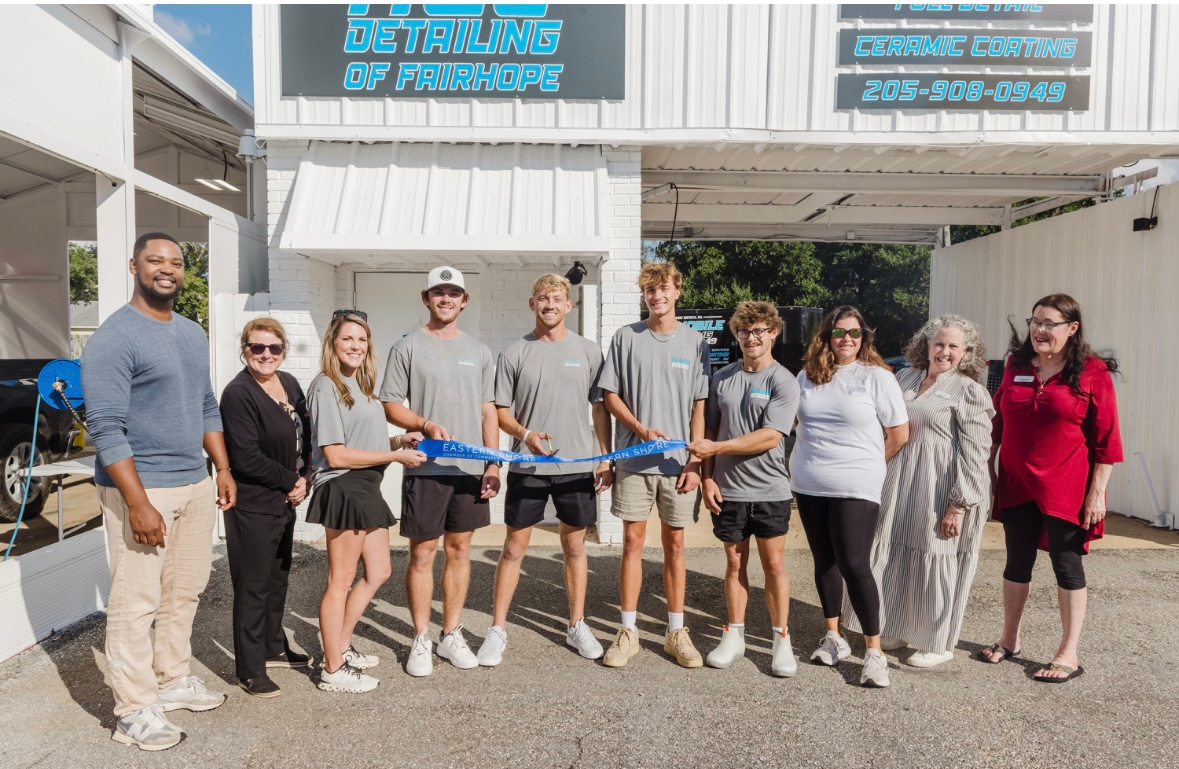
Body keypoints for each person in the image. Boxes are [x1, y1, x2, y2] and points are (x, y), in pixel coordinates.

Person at [81, 232, 236, 751]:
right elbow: (104, 427)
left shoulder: (192, 333)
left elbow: (206, 404)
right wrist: (139, 502)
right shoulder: (114, 338)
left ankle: (171, 681)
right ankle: (133, 710)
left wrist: (223, 468)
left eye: (175, 261)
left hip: (194, 482)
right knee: (135, 602)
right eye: (155, 260)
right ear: (133, 266)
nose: (166, 269)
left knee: (184, 590)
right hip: (143, 488)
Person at [980, 294, 1122, 683]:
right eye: (1035, 322)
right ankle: (1009, 639)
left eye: (1050, 324)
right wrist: (987, 469)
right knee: (1016, 560)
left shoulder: (1092, 371)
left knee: (1066, 563)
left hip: (1067, 484)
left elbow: (1107, 439)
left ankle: (1068, 653)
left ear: (1072, 328)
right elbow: (998, 421)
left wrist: (1098, 492)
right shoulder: (1016, 365)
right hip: (1016, 480)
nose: (1040, 330)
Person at [476, 273, 614, 666]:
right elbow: (499, 412)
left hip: (576, 467)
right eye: (542, 298)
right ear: (532, 304)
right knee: (514, 548)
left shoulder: (588, 351)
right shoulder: (515, 352)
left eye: (557, 298)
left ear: (569, 306)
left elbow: (599, 408)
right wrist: (525, 434)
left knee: (574, 545)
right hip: (529, 465)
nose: (550, 304)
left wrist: (604, 457)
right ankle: (497, 629)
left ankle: (576, 625)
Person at [843, 315, 994, 668]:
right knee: (894, 553)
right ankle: (894, 626)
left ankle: (937, 641)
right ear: (925, 345)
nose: (944, 351)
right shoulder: (905, 377)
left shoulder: (969, 391)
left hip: (939, 485)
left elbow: (976, 453)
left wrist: (959, 505)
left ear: (966, 352)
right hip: (897, 480)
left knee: (935, 556)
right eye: (938, 343)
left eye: (953, 346)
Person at [381, 266, 500, 677]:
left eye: (453, 293)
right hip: (426, 467)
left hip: (468, 469)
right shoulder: (407, 347)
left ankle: (451, 633)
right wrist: (424, 424)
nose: (446, 299)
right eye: (438, 292)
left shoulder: (480, 351)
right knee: (422, 553)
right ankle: (420, 638)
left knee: (460, 551)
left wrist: (492, 464)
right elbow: (391, 404)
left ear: (464, 301)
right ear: (425, 298)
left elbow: (489, 411)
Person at [597, 261, 709, 669]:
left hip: (678, 464)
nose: (656, 296)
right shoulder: (626, 338)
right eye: (649, 290)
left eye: (663, 289)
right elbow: (609, 397)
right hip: (633, 460)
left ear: (678, 291)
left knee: (675, 546)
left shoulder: (696, 343)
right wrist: (639, 429)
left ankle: (675, 631)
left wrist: (695, 461)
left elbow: (700, 406)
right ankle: (627, 631)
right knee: (631, 544)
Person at [307, 311, 426, 693]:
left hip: (365, 486)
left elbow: (363, 441)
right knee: (339, 581)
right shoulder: (326, 387)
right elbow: (336, 455)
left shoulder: (358, 384)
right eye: (347, 340)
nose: (356, 346)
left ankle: (340, 646)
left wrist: (396, 442)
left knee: (378, 572)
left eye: (361, 340)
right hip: (343, 486)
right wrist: (395, 458)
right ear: (333, 343)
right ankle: (332, 669)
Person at [790, 305, 909, 688]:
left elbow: (898, 434)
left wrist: (870, 463)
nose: (847, 339)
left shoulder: (877, 377)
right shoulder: (806, 376)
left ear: (865, 338)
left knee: (855, 564)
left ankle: (874, 653)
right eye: (839, 332)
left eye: (855, 333)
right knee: (825, 561)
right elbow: (789, 422)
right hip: (809, 482)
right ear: (827, 336)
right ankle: (834, 637)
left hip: (856, 485)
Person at [688, 302, 801, 677]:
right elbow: (709, 431)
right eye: (744, 332)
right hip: (728, 490)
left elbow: (770, 437)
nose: (751, 338)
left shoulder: (783, 380)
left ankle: (780, 640)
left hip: (770, 490)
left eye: (759, 331)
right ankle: (734, 635)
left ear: (773, 333)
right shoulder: (721, 378)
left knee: (773, 565)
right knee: (735, 563)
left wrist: (716, 450)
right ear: (736, 336)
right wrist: (706, 477)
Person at [219, 318, 314, 697]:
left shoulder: (288, 382)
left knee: (278, 578)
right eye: (257, 348)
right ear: (245, 350)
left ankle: (273, 645)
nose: (266, 355)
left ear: (283, 350)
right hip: (253, 504)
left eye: (274, 348)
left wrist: (304, 475)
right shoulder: (238, 393)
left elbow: (304, 434)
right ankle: (249, 668)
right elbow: (245, 457)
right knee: (252, 586)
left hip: (284, 500)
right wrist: (290, 480)